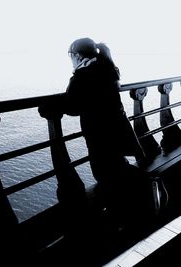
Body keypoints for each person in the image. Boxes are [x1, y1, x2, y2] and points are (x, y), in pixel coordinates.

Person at [64, 37, 156, 227]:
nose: (70, 59)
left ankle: (128, 217)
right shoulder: (108, 68)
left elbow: (71, 106)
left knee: (106, 175)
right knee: (117, 170)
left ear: (78, 55)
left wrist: (75, 74)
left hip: (99, 135)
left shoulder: (84, 75)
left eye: (70, 56)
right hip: (117, 131)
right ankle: (140, 203)